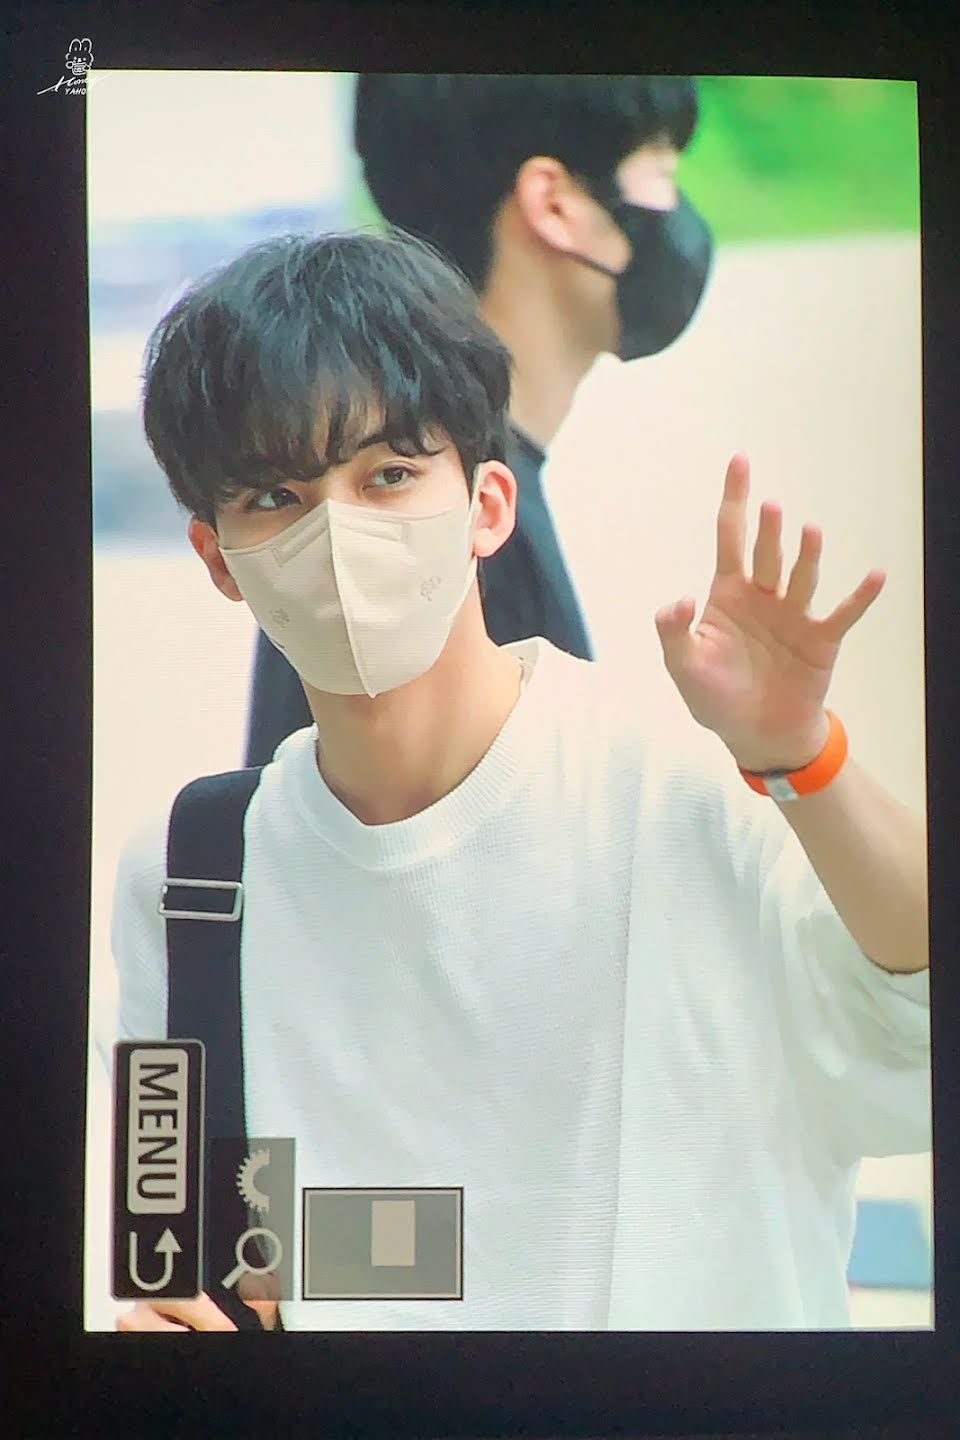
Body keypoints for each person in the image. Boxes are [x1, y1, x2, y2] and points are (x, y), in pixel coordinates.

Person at [114, 229, 929, 1333]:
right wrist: (206, 1321)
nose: (337, 534)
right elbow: (205, 1250)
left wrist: (807, 759)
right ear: (219, 558)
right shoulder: (194, 878)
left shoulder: (689, 786)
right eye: (274, 496)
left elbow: (914, 1030)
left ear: (489, 505)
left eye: (388, 475)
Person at [244, 74, 714, 767]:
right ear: (554, 204)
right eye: (661, 175)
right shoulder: (464, 532)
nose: (675, 212)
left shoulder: (384, 490)